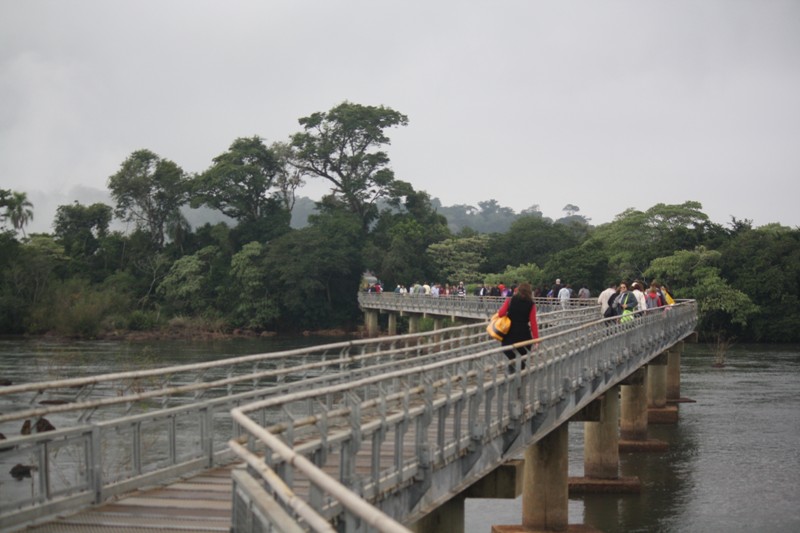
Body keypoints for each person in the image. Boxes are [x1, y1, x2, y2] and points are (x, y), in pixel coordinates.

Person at [496, 282, 540, 373]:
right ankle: (519, 379)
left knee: (510, 355)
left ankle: (512, 372)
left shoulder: (510, 300)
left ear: (518, 290)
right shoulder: (531, 304)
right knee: (522, 359)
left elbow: (501, 314)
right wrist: (536, 340)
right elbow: (533, 323)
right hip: (524, 336)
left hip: (510, 335)